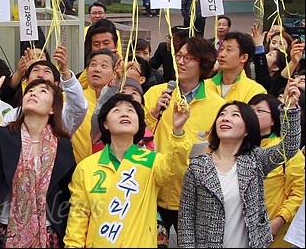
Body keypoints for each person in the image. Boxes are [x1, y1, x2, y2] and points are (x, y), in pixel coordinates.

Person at [177, 78, 302, 248]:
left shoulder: (256, 160)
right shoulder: (198, 167)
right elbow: (186, 219)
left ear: (247, 129)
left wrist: (289, 108)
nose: (225, 118)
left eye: (235, 115)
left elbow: (289, 147)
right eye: (222, 114)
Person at [64, 92, 192, 247]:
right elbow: (78, 217)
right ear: (105, 123)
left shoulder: (152, 162)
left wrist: (178, 131)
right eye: (116, 110)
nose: (124, 113)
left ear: (138, 123)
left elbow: (176, 169)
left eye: (131, 110)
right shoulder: (86, 167)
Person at [0, 76, 76, 248]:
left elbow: (67, 191)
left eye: (42, 91)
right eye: (30, 91)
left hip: (48, 230)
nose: (33, 93)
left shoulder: (63, 145)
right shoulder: (6, 135)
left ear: (53, 108)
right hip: (5, 227)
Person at [144, 36, 226, 239]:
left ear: (203, 63)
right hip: (153, 191)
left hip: (192, 196)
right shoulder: (156, 93)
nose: (180, 62)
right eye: (179, 56)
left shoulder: (216, 105)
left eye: (188, 58)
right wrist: (153, 115)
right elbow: (139, 137)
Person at [248, 93, 305, 248]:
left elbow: (298, 192)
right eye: (249, 110)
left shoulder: (287, 151)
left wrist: (279, 220)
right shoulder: (237, 147)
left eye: (259, 110)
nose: (252, 114)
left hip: (273, 234)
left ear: (274, 119)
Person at [206, 31, 267, 102]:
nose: (222, 54)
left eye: (229, 50)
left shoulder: (255, 91)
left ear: (244, 58)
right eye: (221, 49)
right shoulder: (205, 86)